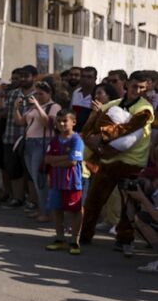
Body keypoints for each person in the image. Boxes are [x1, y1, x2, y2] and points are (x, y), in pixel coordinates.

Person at [81, 71, 154, 255]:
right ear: (127, 84)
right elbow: (93, 123)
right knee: (94, 199)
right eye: (135, 86)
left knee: (127, 205)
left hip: (132, 162)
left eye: (142, 88)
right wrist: (90, 137)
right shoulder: (112, 104)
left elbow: (128, 128)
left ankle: (124, 239)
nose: (137, 90)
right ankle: (83, 234)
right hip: (107, 159)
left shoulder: (145, 109)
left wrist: (102, 137)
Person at [15, 81, 60, 222]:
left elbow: (48, 123)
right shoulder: (33, 107)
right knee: (35, 179)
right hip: (29, 144)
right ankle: (42, 209)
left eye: (41, 93)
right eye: (37, 93)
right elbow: (21, 122)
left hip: (42, 144)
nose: (38, 96)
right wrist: (16, 108)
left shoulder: (54, 106)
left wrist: (38, 106)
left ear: (50, 93)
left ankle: (47, 213)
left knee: (41, 180)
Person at [44, 109, 85, 254]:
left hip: (73, 182)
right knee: (57, 209)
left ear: (73, 122)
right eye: (59, 121)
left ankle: (75, 241)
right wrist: (64, 158)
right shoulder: (54, 140)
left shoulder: (76, 140)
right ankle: (59, 239)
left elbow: (73, 162)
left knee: (75, 211)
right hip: (55, 182)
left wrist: (57, 161)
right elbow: (47, 159)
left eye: (65, 121)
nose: (61, 124)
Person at [2, 65, 38, 209]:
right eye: (21, 76)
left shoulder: (38, 95)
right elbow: (4, 113)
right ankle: (17, 198)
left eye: (26, 76)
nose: (23, 79)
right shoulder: (13, 93)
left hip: (30, 138)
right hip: (11, 136)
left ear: (34, 77)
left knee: (30, 171)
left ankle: (33, 200)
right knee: (14, 169)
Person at [70, 66, 97, 131]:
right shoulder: (76, 92)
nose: (85, 79)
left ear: (95, 79)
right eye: (83, 76)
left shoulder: (98, 94)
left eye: (89, 77)